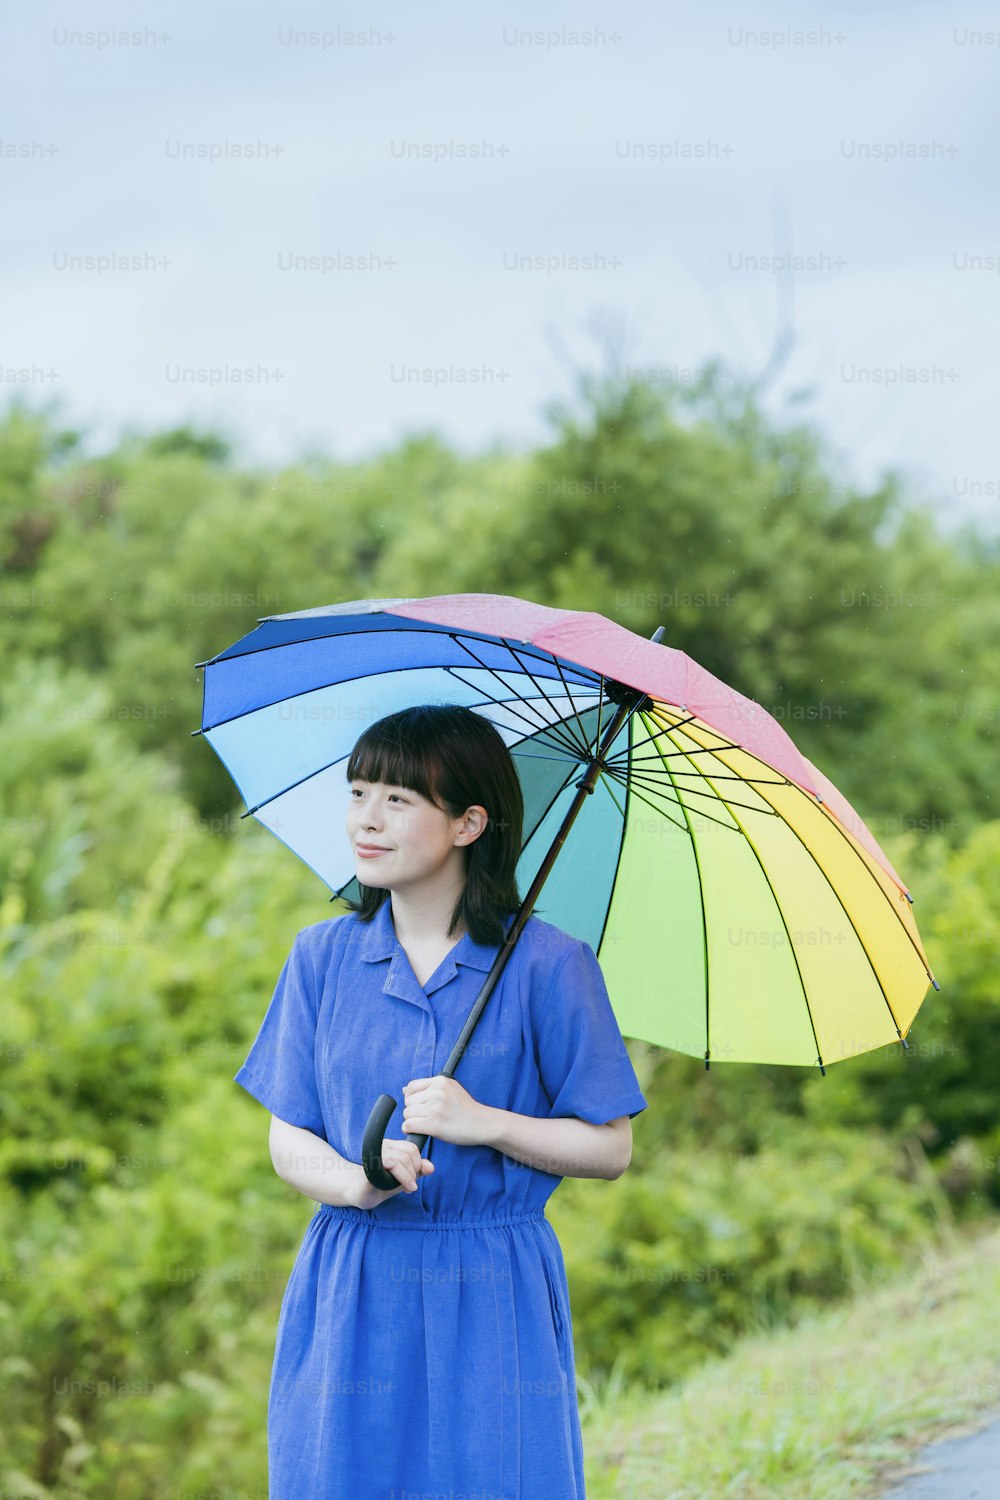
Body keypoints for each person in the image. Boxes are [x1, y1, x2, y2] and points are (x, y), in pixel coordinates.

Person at [234, 703, 648, 1499]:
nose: (366, 821)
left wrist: (485, 1123)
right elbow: (290, 1137)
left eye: (398, 800)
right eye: (358, 793)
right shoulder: (322, 957)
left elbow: (610, 1147)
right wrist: (358, 1179)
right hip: (353, 1276)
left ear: (468, 823)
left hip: (492, 1281)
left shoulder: (549, 966)